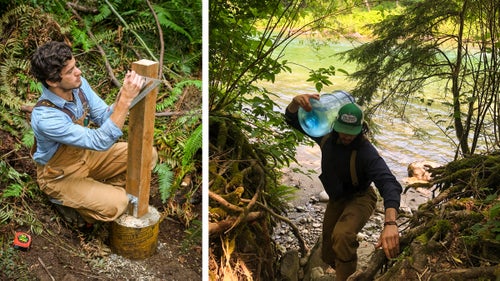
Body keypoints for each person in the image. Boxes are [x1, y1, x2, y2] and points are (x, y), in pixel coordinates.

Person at [30, 41, 157, 225]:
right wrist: (126, 101)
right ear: (52, 81)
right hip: (60, 174)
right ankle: (73, 209)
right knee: (118, 204)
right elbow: (100, 141)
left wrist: (123, 95)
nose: (78, 72)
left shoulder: (79, 86)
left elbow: (104, 118)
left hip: (87, 156)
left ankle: (99, 193)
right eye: (70, 71)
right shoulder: (46, 118)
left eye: (75, 66)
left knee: (147, 155)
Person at [285, 93, 402, 281]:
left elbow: (389, 183)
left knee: (343, 235)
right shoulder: (326, 138)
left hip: (361, 197)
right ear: (335, 125)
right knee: (329, 250)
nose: (346, 135)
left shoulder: (366, 152)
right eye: (343, 129)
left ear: (360, 129)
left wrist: (390, 223)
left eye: (351, 131)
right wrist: (295, 102)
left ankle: (346, 278)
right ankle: (341, 268)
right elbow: (291, 119)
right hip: (337, 198)